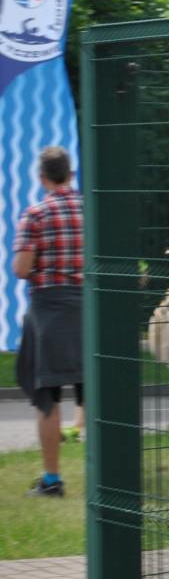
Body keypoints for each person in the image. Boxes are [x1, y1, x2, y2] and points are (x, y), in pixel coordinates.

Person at [12, 146, 83, 497]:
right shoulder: (92, 210)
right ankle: (107, 477)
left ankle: (52, 480)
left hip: (50, 313)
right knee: (94, 393)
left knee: (48, 398)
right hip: (88, 310)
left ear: (42, 178)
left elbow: (21, 268)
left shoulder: (35, 215)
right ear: (71, 174)